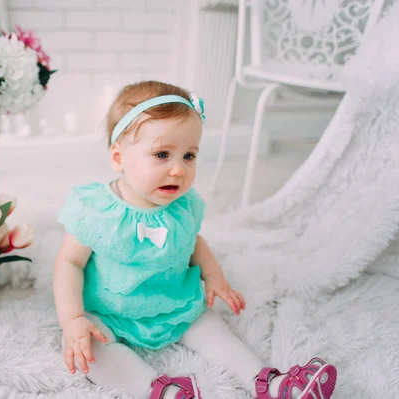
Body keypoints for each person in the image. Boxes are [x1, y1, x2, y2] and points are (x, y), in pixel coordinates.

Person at [52, 81, 337, 399]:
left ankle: (271, 383)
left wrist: (213, 276)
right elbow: (70, 262)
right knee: (87, 352)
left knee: (210, 327)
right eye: (162, 154)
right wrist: (73, 318)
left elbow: (193, 242)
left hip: (173, 303)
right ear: (118, 158)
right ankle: (160, 391)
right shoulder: (97, 210)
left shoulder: (183, 207)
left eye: (189, 156)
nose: (178, 169)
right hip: (108, 310)